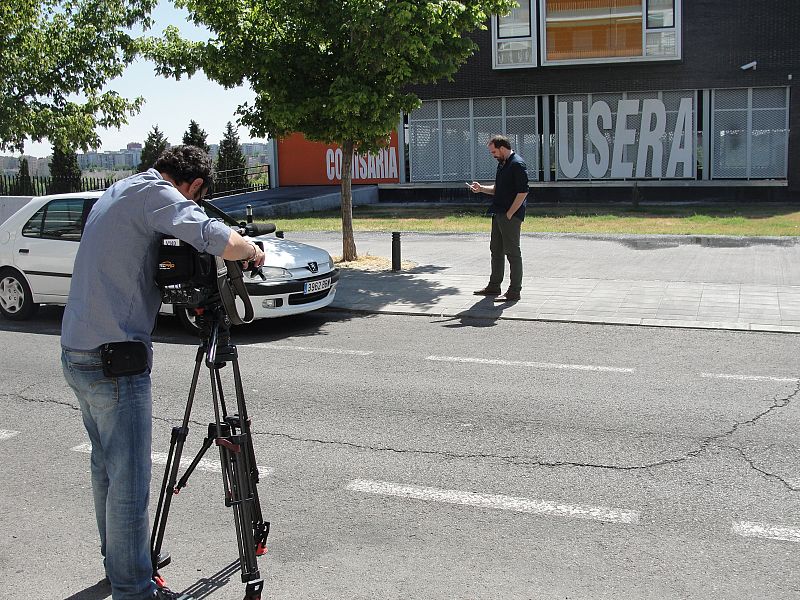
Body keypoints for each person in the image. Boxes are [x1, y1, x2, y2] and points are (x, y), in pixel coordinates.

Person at [60, 145, 265, 600]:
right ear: (191, 186)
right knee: (130, 479)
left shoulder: (119, 189)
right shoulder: (157, 194)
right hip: (115, 361)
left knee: (106, 469)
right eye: (194, 199)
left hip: (78, 350)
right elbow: (222, 240)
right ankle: (134, 589)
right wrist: (252, 249)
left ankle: (117, 566)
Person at [469, 135, 529, 302]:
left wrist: (511, 213)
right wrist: (481, 189)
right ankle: (494, 286)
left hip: (510, 216)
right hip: (498, 213)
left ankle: (514, 291)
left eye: (494, 151)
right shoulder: (502, 164)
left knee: (512, 252)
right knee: (496, 250)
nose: (493, 155)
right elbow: (497, 189)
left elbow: (523, 192)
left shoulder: (517, 164)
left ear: (502, 148)